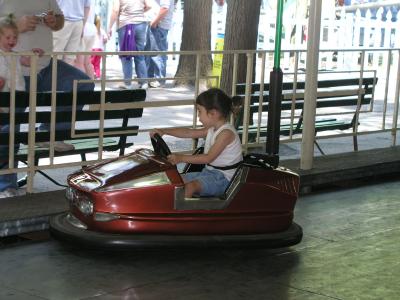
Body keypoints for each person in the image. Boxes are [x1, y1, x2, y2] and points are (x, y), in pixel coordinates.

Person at [150, 88, 243, 198]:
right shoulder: (212, 129)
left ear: (213, 113)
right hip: (209, 173)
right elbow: (188, 132)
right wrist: (164, 131)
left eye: (200, 111)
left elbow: (208, 158)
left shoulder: (226, 133)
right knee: (176, 180)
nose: (198, 117)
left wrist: (181, 158)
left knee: (190, 187)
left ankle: (178, 214)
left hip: (225, 179)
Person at [0, 15, 44, 198]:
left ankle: (9, 184)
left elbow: (25, 61)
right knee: (4, 143)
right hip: (3, 102)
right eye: (8, 37)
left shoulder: (14, 54)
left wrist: (34, 54)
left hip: (16, 101)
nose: (12, 41)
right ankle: (4, 185)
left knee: (12, 142)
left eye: (14, 37)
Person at [108, 0, 151, 89]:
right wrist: (138, 12)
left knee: (126, 55)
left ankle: (128, 83)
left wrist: (109, 27)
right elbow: (149, 5)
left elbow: (115, 10)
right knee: (140, 54)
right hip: (141, 24)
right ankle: (143, 82)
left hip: (126, 24)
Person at [53, 0, 92, 66]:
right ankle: (63, 75)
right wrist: (83, 25)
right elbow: (87, 6)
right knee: (69, 58)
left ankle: (53, 75)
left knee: (55, 55)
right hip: (78, 21)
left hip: (62, 19)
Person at [147, 0, 174, 88]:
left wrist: (154, 22)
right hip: (157, 25)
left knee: (157, 53)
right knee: (153, 53)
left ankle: (159, 80)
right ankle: (152, 78)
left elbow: (164, 8)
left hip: (159, 26)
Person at [91, 14, 108, 79]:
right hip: (100, 49)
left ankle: (92, 74)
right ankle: (98, 76)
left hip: (93, 49)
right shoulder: (102, 30)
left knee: (90, 63)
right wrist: (102, 41)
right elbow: (105, 40)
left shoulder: (92, 29)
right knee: (97, 64)